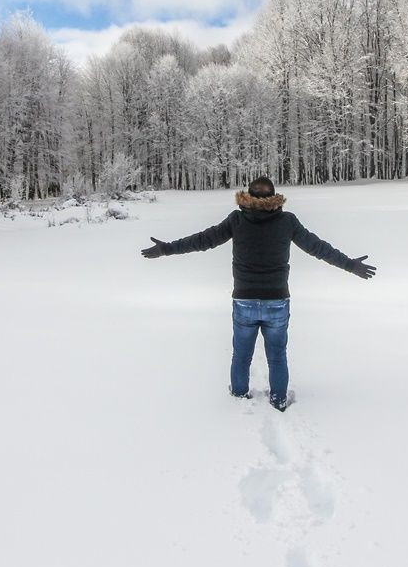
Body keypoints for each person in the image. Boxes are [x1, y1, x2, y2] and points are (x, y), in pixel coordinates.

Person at [139, 176, 376, 411]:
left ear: (247, 197)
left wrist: (168, 248)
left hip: (244, 301)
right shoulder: (287, 222)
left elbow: (203, 240)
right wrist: (349, 265)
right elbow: (318, 247)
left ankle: (239, 396)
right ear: (274, 198)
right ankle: (279, 399)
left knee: (241, 354)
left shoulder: (237, 220)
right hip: (277, 302)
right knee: (277, 355)